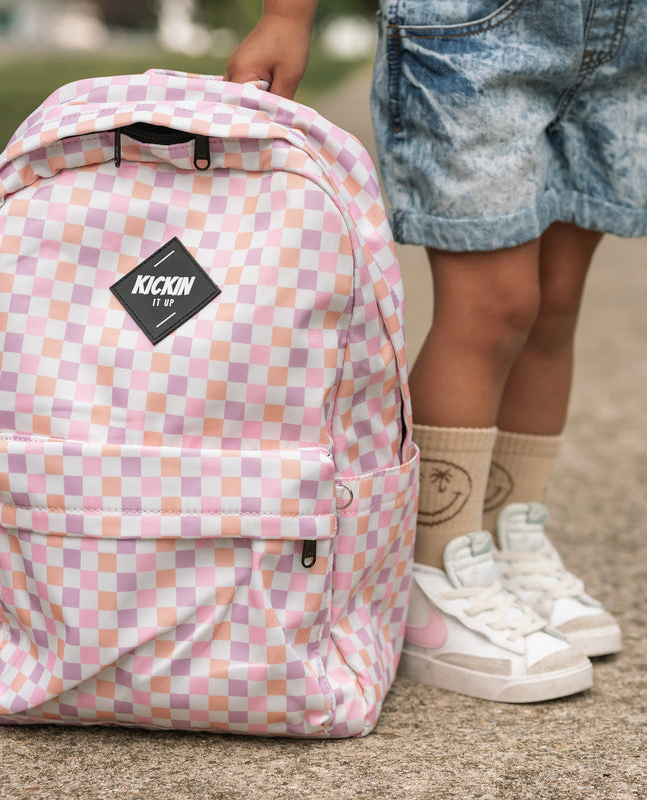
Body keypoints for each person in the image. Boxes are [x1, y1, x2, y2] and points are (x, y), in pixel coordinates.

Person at [226, 0, 645, 702]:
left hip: (620, 31)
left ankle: (507, 537)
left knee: (555, 301)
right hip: (478, 27)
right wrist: (288, 15)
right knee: (494, 306)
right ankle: (436, 569)